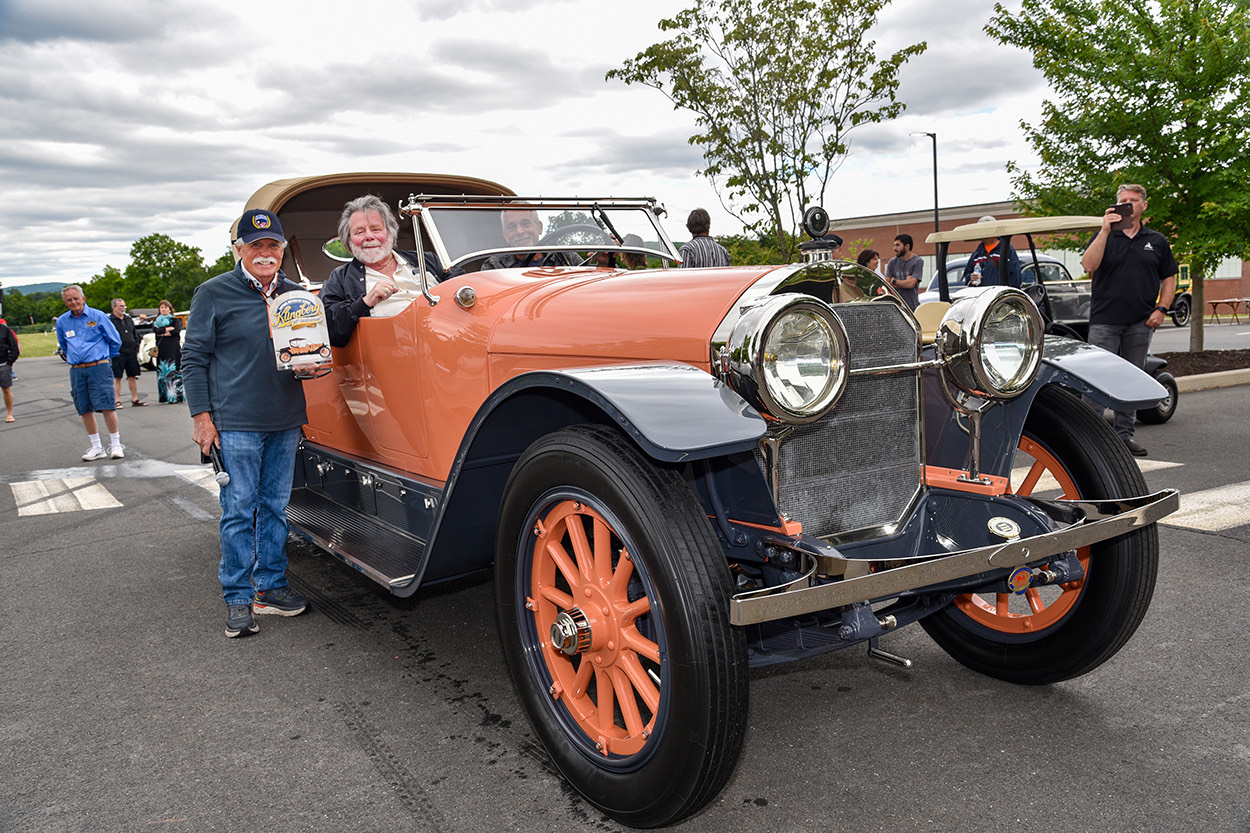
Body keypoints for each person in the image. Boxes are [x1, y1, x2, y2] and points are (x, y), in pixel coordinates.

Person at [182, 208, 311, 638]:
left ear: (282, 251)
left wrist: (313, 366)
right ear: (239, 249)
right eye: (255, 245)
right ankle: (238, 598)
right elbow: (193, 359)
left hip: (285, 418)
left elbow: (310, 352)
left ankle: (270, 588)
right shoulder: (213, 293)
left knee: (275, 508)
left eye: (272, 245)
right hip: (235, 422)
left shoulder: (297, 295)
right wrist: (202, 418)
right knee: (238, 510)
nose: (265, 252)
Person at [1081, 183, 1177, 457]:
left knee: (1131, 379)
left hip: (1140, 322)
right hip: (1105, 321)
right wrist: (1104, 229)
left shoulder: (1156, 240)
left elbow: (1168, 277)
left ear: (1144, 205)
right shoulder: (1105, 236)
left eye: (1133, 200)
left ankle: (1124, 437)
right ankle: (1089, 441)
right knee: (1096, 379)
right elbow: (1089, 265)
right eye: (1123, 200)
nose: (1128, 204)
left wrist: (1162, 309)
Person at [320, 195, 455, 347]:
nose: (369, 237)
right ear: (349, 241)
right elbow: (326, 329)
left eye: (376, 229)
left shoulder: (427, 260)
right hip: (395, 355)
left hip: (452, 341)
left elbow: (463, 286)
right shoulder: (340, 279)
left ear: (390, 233)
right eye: (359, 232)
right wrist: (364, 303)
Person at [56, 285, 124, 460]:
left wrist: (103, 358)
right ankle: (96, 447)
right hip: (77, 369)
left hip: (99, 366)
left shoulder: (98, 316)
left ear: (83, 299)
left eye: (76, 298)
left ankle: (115, 444)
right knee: (84, 408)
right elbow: (64, 345)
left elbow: (115, 340)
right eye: (69, 300)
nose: (74, 302)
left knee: (107, 405)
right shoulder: (62, 322)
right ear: (65, 302)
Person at [480, 207, 580, 271]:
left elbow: (589, 283)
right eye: (512, 227)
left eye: (525, 224)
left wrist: (596, 264)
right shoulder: (494, 266)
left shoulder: (566, 257)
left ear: (539, 227)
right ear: (506, 236)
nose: (519, 231)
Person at [961, 216, 1022, 288]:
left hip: (999, 296)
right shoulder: (977, 254)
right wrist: (971, 279)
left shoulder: (1007, 250)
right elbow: (967, 274)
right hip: (981, 296)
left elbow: (1015, 277)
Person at [108, 298, 146, 408]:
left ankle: (135, 399)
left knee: (132, 376)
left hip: (131, 352)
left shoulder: (128, 319)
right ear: (114, 307)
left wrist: (136, 344)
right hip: (118, 353)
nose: (123, 308)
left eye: (124, 306)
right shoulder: (110, 321)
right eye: (120, 306)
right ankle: (117, 400)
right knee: (117, 377)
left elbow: (134, 333)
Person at [153, 299, 184, 403]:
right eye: (162, 307)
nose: (164, 309)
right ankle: (164, 396)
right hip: (162, 348)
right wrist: (166, 330)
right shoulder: (157, 321)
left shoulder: (175, 320)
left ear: (170, 309)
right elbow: (156, 331)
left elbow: (176, 330)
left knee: (173, 370)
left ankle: (175, 396)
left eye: (166, 307)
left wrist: (162, 332)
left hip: (173, 348)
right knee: (162, 372)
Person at [884, 234, 923, 309]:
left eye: (897, 245)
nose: (894, 248)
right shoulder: (892, 262)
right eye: (894, 245)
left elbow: (911, 284)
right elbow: (887, 285)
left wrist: (894, 280)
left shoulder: (917, 261)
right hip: (896, 307)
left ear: (907, 246)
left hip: (911, 307)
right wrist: (905, 282)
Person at [0, 317, 18, 422]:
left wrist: (9, 363)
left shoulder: (5, 330)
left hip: (3, 365)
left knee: (6, 389)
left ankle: (9, 414)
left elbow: (14, 347)